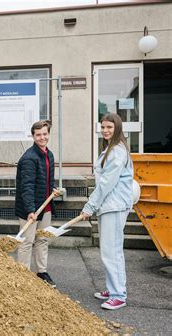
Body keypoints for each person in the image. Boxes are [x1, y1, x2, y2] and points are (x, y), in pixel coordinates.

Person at [81, 113, 133, 310]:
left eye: (109, 127)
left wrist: (89, 207)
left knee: (112, 252)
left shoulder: (117, 153)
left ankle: (119, 295)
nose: (105, 130)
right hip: (108, 206)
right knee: (108, 250)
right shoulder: (110, 149)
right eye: (103, 127)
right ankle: (113, 289)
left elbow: (105, 184)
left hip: (114, 205)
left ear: (117, 128)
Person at [15, 120, 60, 288]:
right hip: (30, 209)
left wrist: (52, 189)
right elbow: (26, 186)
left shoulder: (49, 154)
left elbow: (47, 180)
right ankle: (23, 273)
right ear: (33, 136)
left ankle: (42, 272)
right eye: (38, 134)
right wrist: (30, 210)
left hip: (45, 206)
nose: (42, 137)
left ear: (48, 134)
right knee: (27, 241)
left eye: (45, 134)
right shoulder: (29, 158)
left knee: (42, 240)